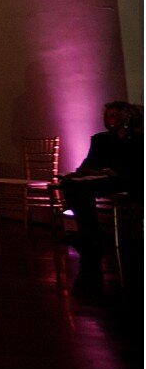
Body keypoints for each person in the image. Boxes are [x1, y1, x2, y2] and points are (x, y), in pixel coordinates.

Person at [61, 101, 143, 292]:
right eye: (108, 115)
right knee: (70, 184)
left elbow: (138, 168)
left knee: (86, 187)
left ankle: (90, 235)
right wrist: (83, 172)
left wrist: (115, 172)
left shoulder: (138, 140)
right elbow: (88, 163)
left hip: (127, 180)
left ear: (127, 117)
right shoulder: (100, 139)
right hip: (102, 179)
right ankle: (89, 232)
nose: (109, 119)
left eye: (114, 115)